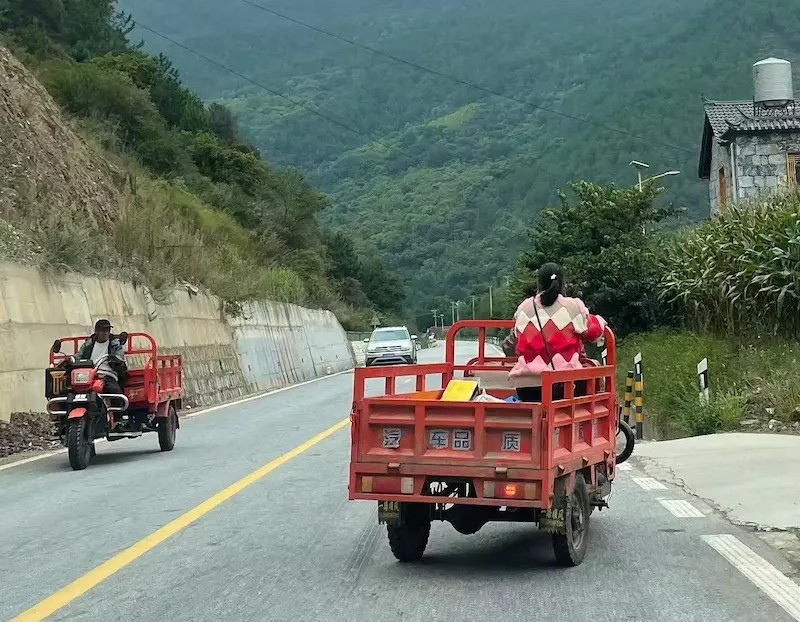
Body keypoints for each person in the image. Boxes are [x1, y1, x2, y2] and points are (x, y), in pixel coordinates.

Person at [504, 263, 606, 402]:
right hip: (566, 387)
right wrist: (600, 321)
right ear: (563, 284)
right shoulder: (573, 306)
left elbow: (514, 341)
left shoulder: (523, 308)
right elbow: (595, 333)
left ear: (538, 284)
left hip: (527, 389)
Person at [76, 319, 127, 394]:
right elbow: (79, 356)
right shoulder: (88, 344)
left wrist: (115, 360)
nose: (106, 333)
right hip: (88, 375)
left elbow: (120, 358)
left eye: (108, 330)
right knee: (70, 391)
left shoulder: (115, 344)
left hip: (107, 375)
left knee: (116, 393)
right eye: (103, 330)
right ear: (96, 331)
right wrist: (71, 360)